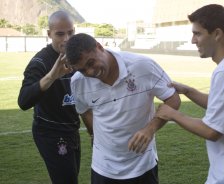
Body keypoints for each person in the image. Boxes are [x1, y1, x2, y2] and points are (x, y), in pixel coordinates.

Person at [155, 4, 224, 184]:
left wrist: (173, 114)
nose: (193, 40)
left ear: (217, 34)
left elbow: (212, 131)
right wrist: (188, 91)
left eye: (197, 33)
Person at [65, 33, 180, 184]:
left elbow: (173, 98)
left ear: (99, 47)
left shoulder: (142, 66)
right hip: (103, 167)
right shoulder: (78, 82)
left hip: (142, 164)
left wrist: (150, 129)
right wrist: (94, 134)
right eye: (83, 70)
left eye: (91, 63)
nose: (90, 72)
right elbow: (84, 110)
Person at [18, 11, 92, 184]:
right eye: (60, 34)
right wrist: (51, 76)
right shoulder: (40, 62)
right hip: (50, 132)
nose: (66, 38)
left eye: (70, 32)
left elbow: (82, 100)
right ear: (49, 33)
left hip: (71, 130)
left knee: (71, 176)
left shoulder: (76, 58)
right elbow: (23, 101)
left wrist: (92, 130)